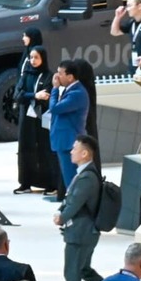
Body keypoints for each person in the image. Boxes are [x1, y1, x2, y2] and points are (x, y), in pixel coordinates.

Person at [54, 134, 105, 281]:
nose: (71, 151)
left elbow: (75, 202)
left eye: (75, 148)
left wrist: (61, 217)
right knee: (84, 270)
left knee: (72, 273)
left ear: (84, 154)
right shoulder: (86, 174)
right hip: (85, 232)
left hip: (80, 234)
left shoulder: (87, 177)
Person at [14, 44, 58, 195]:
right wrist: (34, 95)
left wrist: (30, 96)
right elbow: (17, 95)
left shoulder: (48, 76)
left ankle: (50, 184)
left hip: (42, 118)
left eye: (36, 57)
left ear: (43, 58)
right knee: (26, 149)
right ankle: (25, 183)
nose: (33, 60)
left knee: (45, 149)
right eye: (31, 57)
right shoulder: (26, 75)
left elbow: (47, 95)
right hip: (26, 120)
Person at [46, 61, 89, 194]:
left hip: (69, 142)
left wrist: (54, 89)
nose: (56, 76)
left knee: (71, 180)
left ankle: (74, 203)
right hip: (64, 141)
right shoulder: (70, 90)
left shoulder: (77, 93)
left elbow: (54, 108)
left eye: (60, 73)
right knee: (68, 179)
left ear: (70, 77)